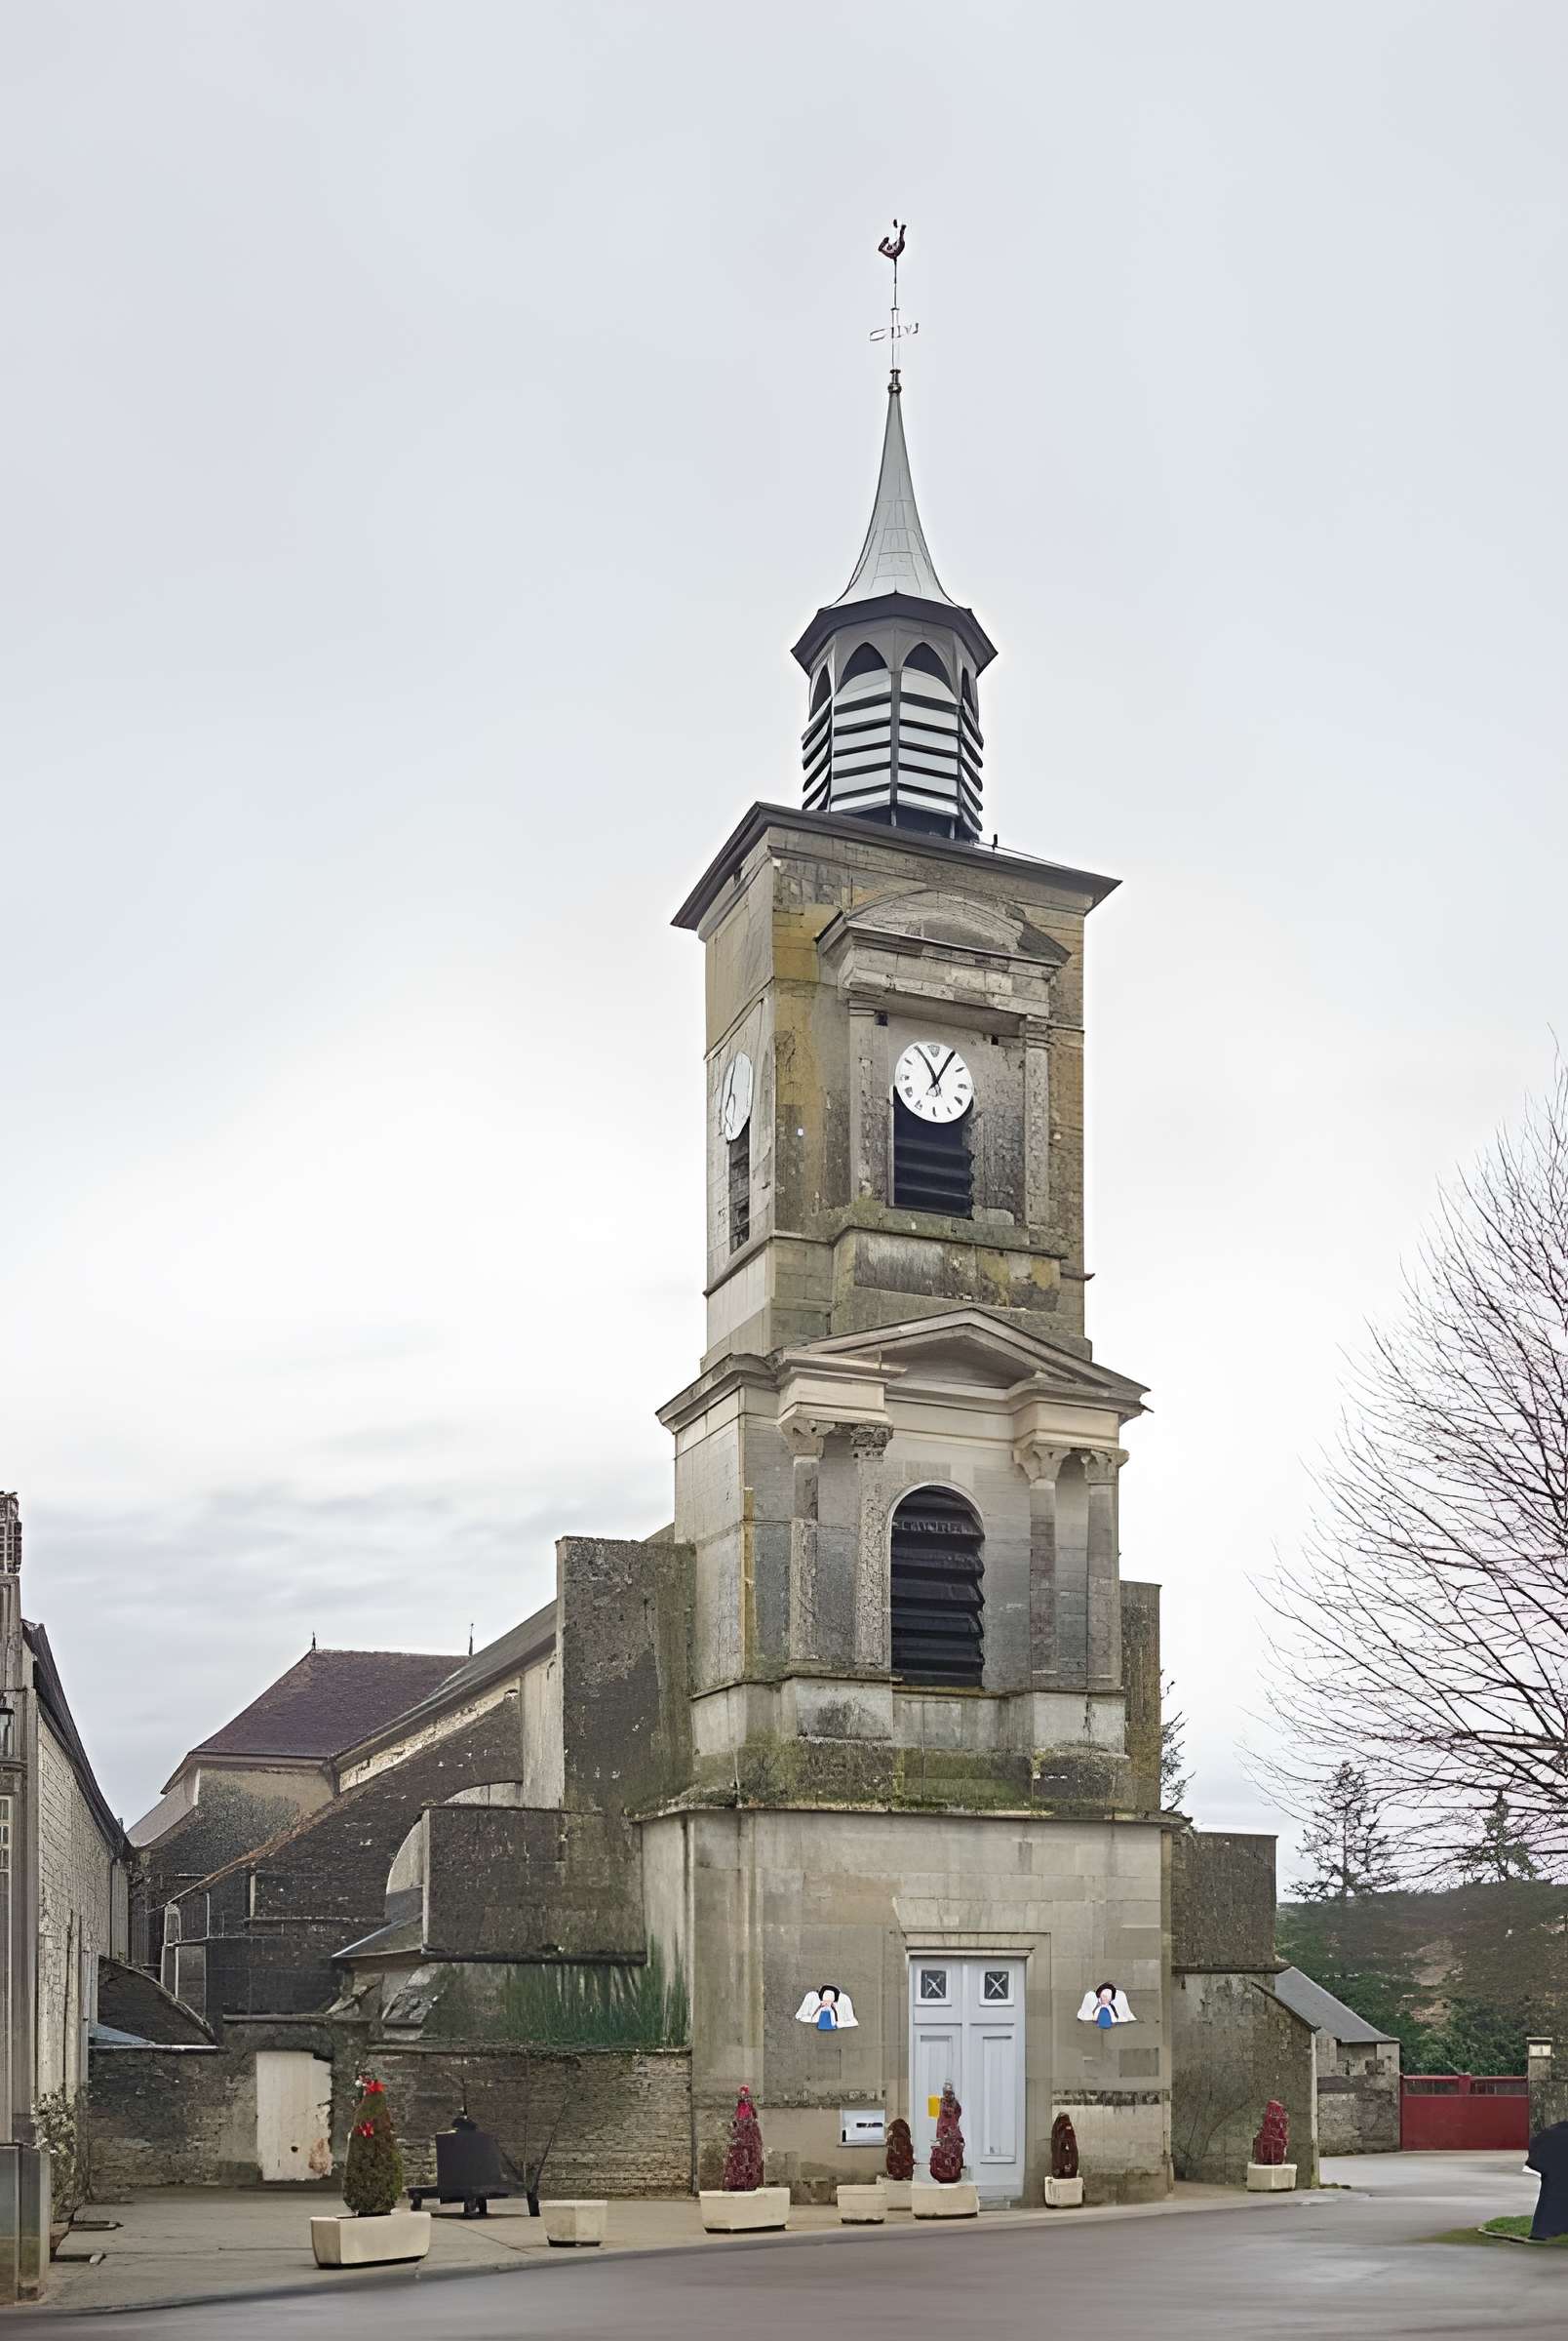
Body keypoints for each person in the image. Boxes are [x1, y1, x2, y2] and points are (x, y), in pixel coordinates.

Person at [1526, 2118, 1568, 2242]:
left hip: (1552, 2175)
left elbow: (1534, 2153)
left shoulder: (1552, 2133)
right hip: (1557, 2174)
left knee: (1549, 2203)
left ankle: (1541, 2231)